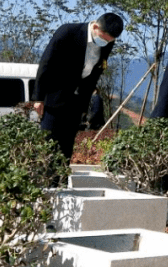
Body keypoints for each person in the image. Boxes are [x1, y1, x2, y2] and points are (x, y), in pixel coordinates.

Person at [34, 12, 124, 160]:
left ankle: (61, 182)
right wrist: (38, 98)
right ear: (95, 26)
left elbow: (96, 73)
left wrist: (84, 106)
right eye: (103, 38)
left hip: (75, 103)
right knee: (48, 146)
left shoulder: (109, 43)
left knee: (66, 148)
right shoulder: (68, 32)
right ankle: (45, 182)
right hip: (53, 99)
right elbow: (46, 63)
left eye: (109, 41)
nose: (105, 43)